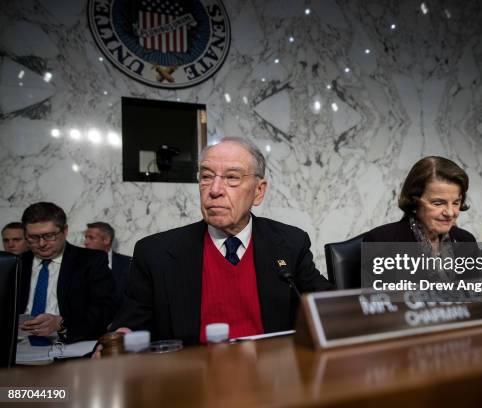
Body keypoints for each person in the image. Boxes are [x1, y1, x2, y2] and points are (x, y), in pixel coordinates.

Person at [111, 137, 334, 344]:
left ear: (258, 191)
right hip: (190, 380)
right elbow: (129, 327)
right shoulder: (155, 253)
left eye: (232, 178)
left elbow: (328, 304)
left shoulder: (290, 243)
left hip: (272, 377)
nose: (215, 190)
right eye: (207, 176)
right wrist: (118, 338)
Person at [363, 156, 477, 283]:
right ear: (414, 200)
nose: (450, 213)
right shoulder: (380, 241)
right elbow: (373, 301)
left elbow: (479, 298)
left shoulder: (466, 240)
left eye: (456, 202)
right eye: (438, 203)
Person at [18, 202, 115, 342]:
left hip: (68, 345)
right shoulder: (17, 263)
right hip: (19, 347)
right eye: (33, 237)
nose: (41, 244)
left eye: (49, 236)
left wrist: (61, 324)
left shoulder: (90, 261)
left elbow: (105, 310)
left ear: (65, 231)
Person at [84, 222, 132, 310]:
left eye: (91, 238)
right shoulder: (78, 265)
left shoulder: (127, 264)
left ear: (106, 240)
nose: (86, 242)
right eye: (86, 237)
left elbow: (133, 300)